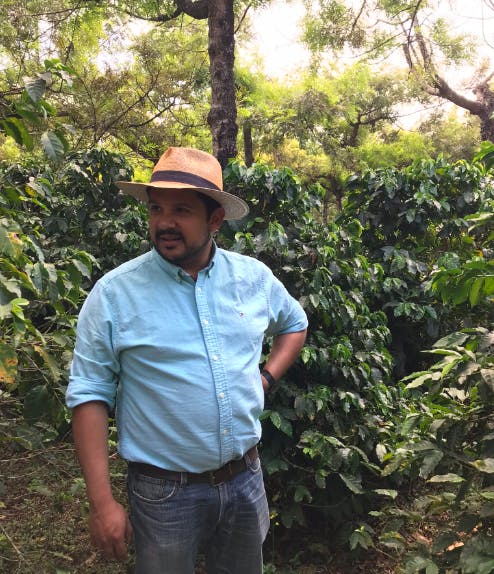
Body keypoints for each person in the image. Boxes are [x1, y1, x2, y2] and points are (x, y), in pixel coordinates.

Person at [66, 146, 308, 574]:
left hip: (245, 480)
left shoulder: (252, 279)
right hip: (164, 494)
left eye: (181, 210)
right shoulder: (115, 294)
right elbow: (89, 394)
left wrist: (266, 377)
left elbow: (295, 322)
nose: (165, 222)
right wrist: (101, 502)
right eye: (156, 209)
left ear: (215, 220)